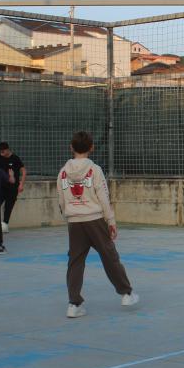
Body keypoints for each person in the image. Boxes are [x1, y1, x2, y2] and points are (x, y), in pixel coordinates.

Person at [58, 130, 137, 318]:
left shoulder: (63, 172)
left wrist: (69, 216)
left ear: (71, 147)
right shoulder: (95, 170)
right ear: (92, 147)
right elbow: (103, 197)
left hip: (74, 221)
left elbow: (61, 199)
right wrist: (111, 221)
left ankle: (74, 304)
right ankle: (126, 293)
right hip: (94, 220)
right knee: (110, 256)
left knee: (75, 262)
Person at [0, 141, 25, 233]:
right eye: (0, 152)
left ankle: (5, 224)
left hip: (13, 187)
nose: (1, 154)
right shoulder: (0, 158)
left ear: (7, 150)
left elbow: (24, 171)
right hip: (2, 186)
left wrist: (21, 184)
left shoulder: (15, 158)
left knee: (8, 207)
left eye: (3, 152)